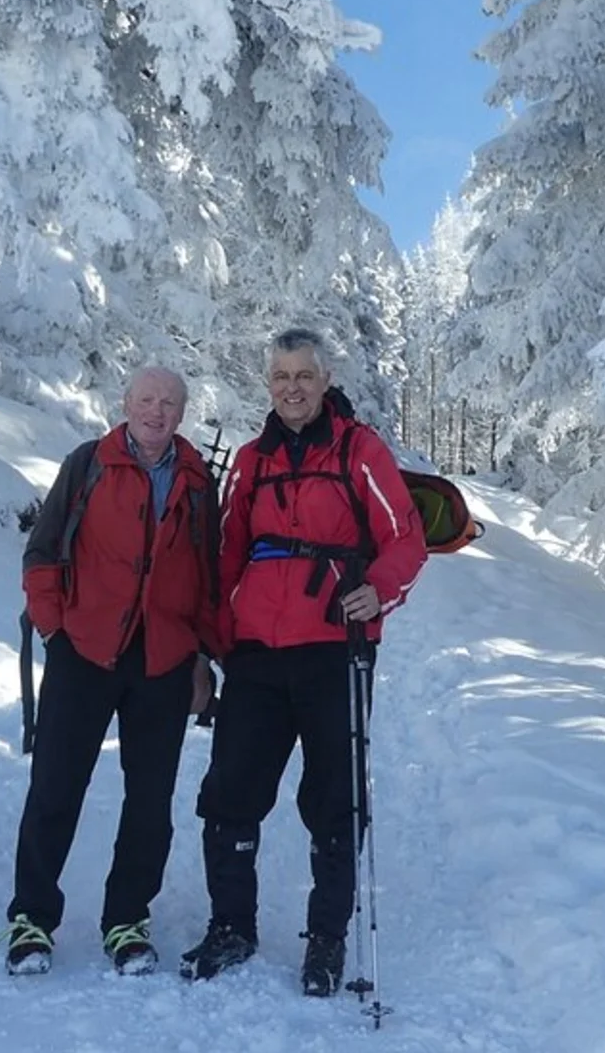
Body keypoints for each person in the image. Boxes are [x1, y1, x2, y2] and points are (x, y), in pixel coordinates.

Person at [181, 328, 427, 996]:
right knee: (231, 793)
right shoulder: (253, 461)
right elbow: (228, 551)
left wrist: (379, 590)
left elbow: (406, 536)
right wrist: (216, 639)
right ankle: (232, 925)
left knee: (334, 800)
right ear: (269, 384)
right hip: (256, 653)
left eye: (304, 375)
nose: (292, 387)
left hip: (333, 651)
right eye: (281, 376)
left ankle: (325, 940)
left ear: (324, 381)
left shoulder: (360, 451)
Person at [4, 365, 220, 977]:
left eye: (170, 403)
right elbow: (42, 552)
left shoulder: (197, 482)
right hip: (87, 652)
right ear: (125, 403)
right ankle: (32, 918)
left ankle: (127, 919)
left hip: (164, 661)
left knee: (150, 802)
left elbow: (208, 580)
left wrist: (203, 658)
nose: (157, 411)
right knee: (55, 789)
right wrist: (55, 631)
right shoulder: (87, 464)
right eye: (147, 399)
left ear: (182, 414)